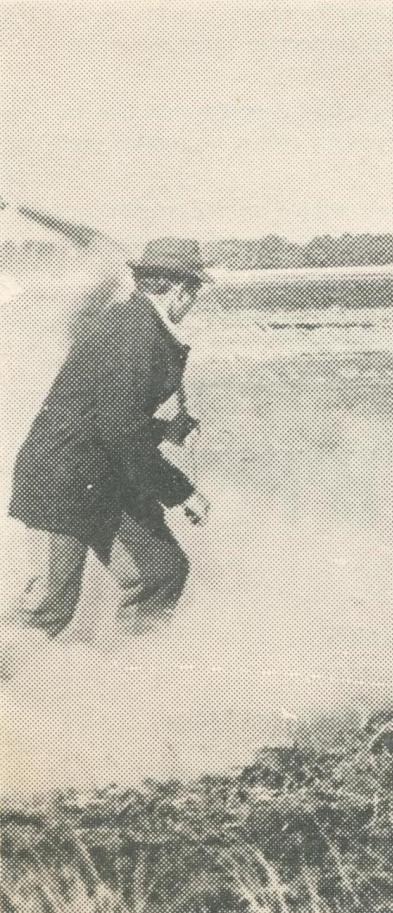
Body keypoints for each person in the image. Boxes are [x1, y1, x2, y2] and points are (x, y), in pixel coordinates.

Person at [3, 237, 212, 670]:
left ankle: (129, 678)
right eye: (195, 294)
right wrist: (181, 490)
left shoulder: (138, 325)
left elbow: (112, 418)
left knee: (160, 571)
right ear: (180, 291)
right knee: (48, 608)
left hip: (102, 473)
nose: (193, 303)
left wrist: (165, 429)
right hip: (59, 480)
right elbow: (119, 432)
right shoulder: (134, 334)